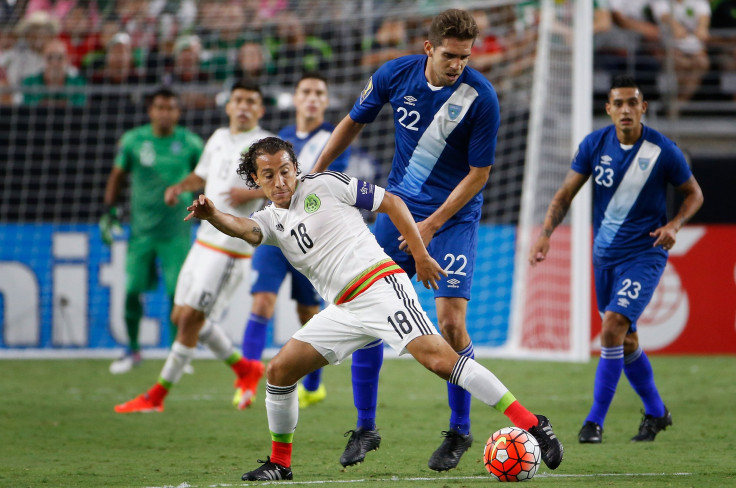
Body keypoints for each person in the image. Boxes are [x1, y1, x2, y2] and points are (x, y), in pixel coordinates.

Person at [185, 136, 564, 481]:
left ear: (295, 168)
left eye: (285, 170)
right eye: (269, 175)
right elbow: (242, 227)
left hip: (380, 286)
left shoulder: (325, 184)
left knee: (438, 360)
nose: (280, 181)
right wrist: (213, 214)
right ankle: (280, 464)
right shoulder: (270, 220)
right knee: (280, 370)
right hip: (344, 309)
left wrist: (420, 253)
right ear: (256, 180)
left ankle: (533, 424)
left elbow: (393, 203)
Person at [312, 8, 497, 471]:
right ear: (429, 48)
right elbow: (354, 122)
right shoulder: (395, 74)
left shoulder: (482, 97)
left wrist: (432, 225)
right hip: (396, 214)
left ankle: (459, 431)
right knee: (367, 313)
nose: (458, 65)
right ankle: (366, 427)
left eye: (465, 57)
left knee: (451, 324)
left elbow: (479, 176)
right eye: (451, 56)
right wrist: (315, 172)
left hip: (451, 219)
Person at [529, 75, 703, 444]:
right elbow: (564, 195)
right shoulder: (595, 145)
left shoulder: (662, 150)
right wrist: (545, 234)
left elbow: (694, 194)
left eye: (632, 103)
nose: (625, 109)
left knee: (611, 327)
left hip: (645, 253)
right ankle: (657, 412)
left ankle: (594, 422)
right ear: (608, 109)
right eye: (618, 103)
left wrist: (675, 224)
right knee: (625, 341)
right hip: (604, 255)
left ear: (643, 108)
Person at [113, 80, 274, 413]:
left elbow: (285, 187)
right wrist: (178, 187)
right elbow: (201, 176)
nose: (244, 106)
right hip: (203, 242)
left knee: (189, 321)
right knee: (180, 315)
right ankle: (245, 368)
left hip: (231, 248)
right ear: (228, 106)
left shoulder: (264, 146)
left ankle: (155, 397)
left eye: (251, 102)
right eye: (239, 100)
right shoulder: (216, 138)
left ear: (260, 109)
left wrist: (252, 193)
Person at [239, 72, 350, 410]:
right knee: (261, 303)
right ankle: (244, 384)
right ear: (296, 98)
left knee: (309, 312)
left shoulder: (336, 138)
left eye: (319, 92)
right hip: (276, 233)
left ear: (326, 101)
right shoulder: (279, 141)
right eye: (306, 92)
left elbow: (325, 185)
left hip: (311, 240)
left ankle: (313, 386)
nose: (312, 97)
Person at [101, 87, 204, 374]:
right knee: (132, 290)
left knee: (177, 294)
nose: (165, 113)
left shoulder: (191, 143)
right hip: (141, 233)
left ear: (178, 112)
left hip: (176, 233)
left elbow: (203, 177)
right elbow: (117, 176)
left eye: (170, 108)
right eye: (159, 107)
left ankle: (177, 355)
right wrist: (108, 211)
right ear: (151, 111)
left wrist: (197, 199)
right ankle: (132, 350)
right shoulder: (133, 141)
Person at [21, 38, 86, 106]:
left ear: (67, 59)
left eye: (59, 57)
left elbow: (79, 106)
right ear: (43, 58)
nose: (54, 63)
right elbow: (28, 106)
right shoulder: (30, 82)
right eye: (50, 57)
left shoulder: (78, 83)